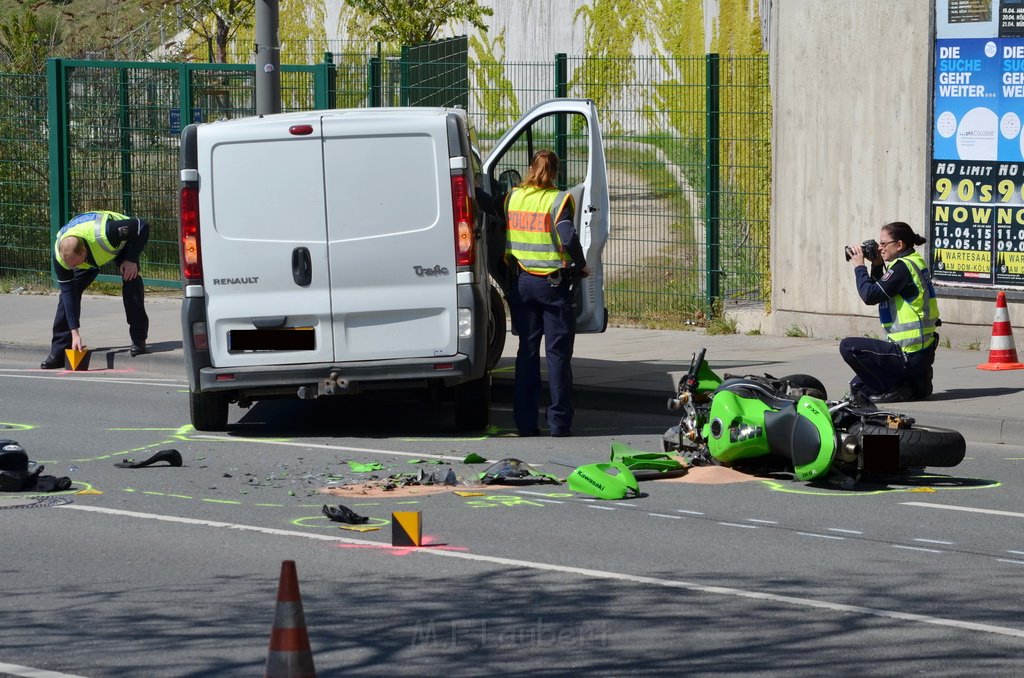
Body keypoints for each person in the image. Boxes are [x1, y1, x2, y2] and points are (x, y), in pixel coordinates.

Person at [503, 150, 589, 437]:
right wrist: (581, 263)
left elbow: (490, 208)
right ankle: (558, 423)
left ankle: (525, 424)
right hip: (553, 287)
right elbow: (567, 235)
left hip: (523, 284)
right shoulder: (557, 200)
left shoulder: (513, 197)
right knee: (557, 356)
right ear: (555, 172)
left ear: (530, 168)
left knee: (526, 354)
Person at [840, 221, 940, 403]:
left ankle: (896, 387)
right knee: (858, 387)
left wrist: (859, 266)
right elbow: (883, 292)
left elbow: (870, 295)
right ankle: (915, 383)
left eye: (883, 244)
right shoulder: (913, 262)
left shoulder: (902, 267)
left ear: (899, 245)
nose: (880, 248)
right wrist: (877, 265)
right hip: (921, 353)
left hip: (908, 354)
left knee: (848, 347)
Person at [40, 210, 150, 369]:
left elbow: (142, 225)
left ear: (83, 251)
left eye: (75, 264)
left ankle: (139, 339)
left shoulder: (108, 231)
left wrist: (131, 259)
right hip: (91, 257)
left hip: (121, 244)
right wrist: (75, 333)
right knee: (66, 296)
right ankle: (58, 351)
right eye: (70, 265)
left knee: (130, 278)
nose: (73, 268)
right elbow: (69, 294)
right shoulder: (61, 257)